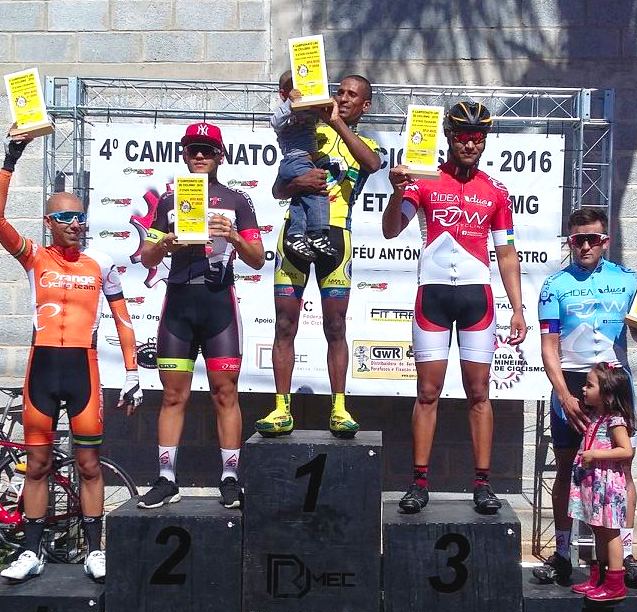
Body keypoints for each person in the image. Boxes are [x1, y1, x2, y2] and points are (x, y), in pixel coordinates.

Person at [0, 132, 142, 583]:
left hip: (84, 368)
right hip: (42, 369)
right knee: (38, 465)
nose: (75, 224)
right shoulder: (34, 257)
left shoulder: (99, 262)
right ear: (49, 221)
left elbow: (122, 319)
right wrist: (12, 154)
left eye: (80, 217)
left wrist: (134, 371)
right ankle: (30, 551)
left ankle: (94, 549)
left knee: (88, 465)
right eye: (65, 217)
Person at [381, 101, 526, 515]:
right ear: (448, 137)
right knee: (427, 392)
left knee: (479, 392)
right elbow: (392, 231)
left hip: (476, 296)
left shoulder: (496, 190)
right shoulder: (422, 180)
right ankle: (419, 482)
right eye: (463, 136)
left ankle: (483, 483)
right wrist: (396, 192)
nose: (470, 144)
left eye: (478, 138)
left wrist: (517, 309)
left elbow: (507, 253)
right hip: (434, 296)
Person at [534, 207, 637, 585]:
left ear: (605, 241)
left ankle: (624, 556)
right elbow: (548, 346)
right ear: (569, 240)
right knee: (566, 467)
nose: (584, 246)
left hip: (614, 383)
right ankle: (563, 553)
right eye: (577, 239)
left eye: (592, 239)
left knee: (621, 468)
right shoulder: (554, 285)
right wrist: (563, 394)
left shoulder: (627, 280)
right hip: (573, 381)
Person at [138, 122, 264, 510]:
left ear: (220, 156)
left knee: (225, 393)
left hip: (218, 306)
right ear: (183, 154)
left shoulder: (238, 201)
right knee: (174, 395)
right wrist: (167, 244)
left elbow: (258, 259)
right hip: (178, 305)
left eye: (206, 150)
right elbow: (146, 256)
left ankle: (229, 477)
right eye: (192, 149)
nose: (199, 155)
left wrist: (235, 236)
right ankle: (166, 479)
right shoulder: (170, 200)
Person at [255, 75, 381, 439]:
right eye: (338, 91)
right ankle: (281, 408)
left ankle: (339, 408)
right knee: (283, 324)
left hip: (336, 238)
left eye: (351, 95)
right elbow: (279, 188)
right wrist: (299, 184)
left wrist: (336, 122)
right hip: (292, 235)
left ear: (364, 105)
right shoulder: (308, 128)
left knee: (336, 327)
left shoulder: (363, 142)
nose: (342, 98)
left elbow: (371, 165)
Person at [568, 363, 636, 601]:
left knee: (610, 532)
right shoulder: (597, 416)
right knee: (598, 530)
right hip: (594, 483)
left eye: (589, 385)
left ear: (607, 393)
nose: (583, 389)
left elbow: (626, 451)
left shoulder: (615, 420)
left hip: (607, 485)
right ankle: (598, 578)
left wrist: (595, 455)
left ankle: (616, 582)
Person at [271, 70, 336, 261]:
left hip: (306, 160)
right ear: (284, 93)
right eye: (293, 88)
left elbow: (326, 115)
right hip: (295, 160)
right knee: (317, 190)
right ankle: (317, 232)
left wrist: (327, 101)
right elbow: (275, 122)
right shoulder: (286, 111)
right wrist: (290, 103)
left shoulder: (309, 111)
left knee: (301, 198)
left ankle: (296, 235)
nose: (299, 91)